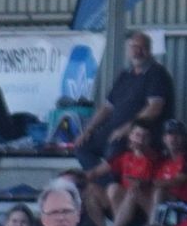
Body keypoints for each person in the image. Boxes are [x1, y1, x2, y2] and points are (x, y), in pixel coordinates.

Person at [74, 31, 175, 177]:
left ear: (149, 50)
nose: (137, 51)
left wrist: (126, 129)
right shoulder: (125, 75)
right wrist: (88, 129)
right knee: (82, 146)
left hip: (140, 135)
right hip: (114, 130)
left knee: (114, 148)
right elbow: (107, 107)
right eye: (134, 47)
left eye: (142, 47)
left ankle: (109, 184)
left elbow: (154, 108)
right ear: (128, 50)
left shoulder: (157, 74)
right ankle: (105, 183)